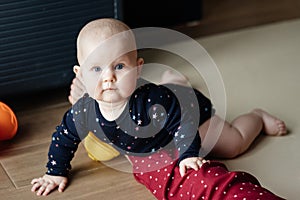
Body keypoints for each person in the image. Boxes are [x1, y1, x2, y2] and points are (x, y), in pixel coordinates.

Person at [31, 18, 286, 199]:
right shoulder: (84, 112)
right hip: (161, 117)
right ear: (81, 74)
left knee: (233, 145)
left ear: (138, 68)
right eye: (96, 69)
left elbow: (185, 120)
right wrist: (55, 172)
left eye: (119, 66)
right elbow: (63, 137)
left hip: (187, 109)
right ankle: (174, 81)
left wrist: (188, 154)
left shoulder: (151, 101)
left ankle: (256, 117)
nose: (108, 77)